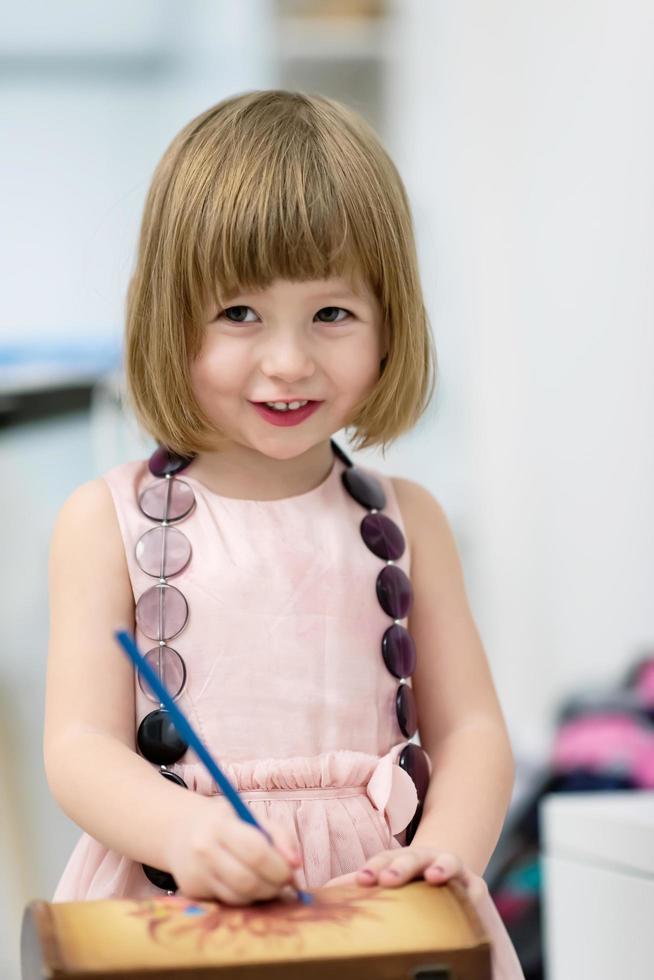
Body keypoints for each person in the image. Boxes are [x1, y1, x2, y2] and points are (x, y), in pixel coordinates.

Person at [44, 90, 524, 977]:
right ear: (167, 315)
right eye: (239, 314)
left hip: (382, 907)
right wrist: (182, 829)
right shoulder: (100, 521)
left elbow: (472, 734)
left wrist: (444, 856)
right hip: (181, 902)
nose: (289, 361)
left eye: (332, 315)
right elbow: (78, 746)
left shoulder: (409, 522)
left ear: (391, 323)